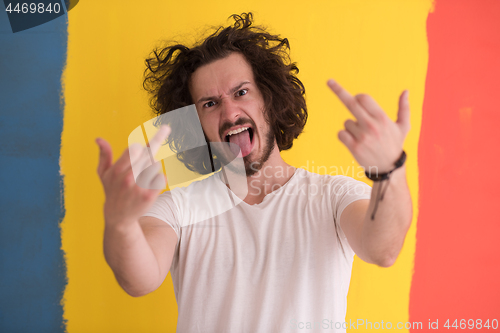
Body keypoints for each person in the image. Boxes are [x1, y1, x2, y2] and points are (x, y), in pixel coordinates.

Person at [96, 13, 412, 332]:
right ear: (195, 124)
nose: (230, 112)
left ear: (268, 98)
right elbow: (139, 279)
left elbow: (383, 249)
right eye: (209, 104)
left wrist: (390, 170)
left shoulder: (334, 196)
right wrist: (120, 223)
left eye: (241, 92)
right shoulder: (178, 207)